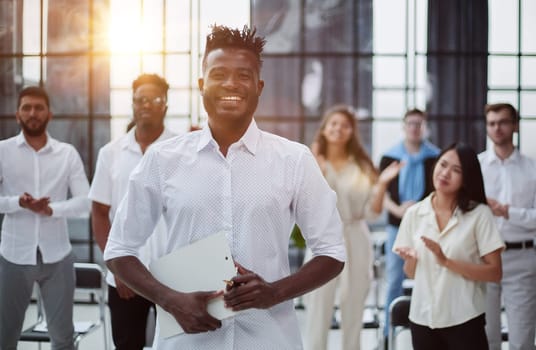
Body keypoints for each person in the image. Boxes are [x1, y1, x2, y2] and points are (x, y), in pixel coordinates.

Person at [103, 25, 346, 349]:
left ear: (259, 87)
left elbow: (332, 251)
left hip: (268, 339)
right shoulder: (163, 159)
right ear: (202, 84)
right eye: (219, 74)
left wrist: (275, 292)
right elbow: (119, 249)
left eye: (244, 75)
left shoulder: (294, 160)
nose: (231, 83)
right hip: (188, 343)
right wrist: (170, 299)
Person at [89, 73, 177, 350]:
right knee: (127, 345)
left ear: (165, 104)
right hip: (126, 275)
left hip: (175, 274)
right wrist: (116, 265)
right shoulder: (110, 153)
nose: (146, 105)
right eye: (140, 99)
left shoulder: (183, 150)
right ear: (133, 104)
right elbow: (100, 212)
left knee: (179, 345)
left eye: (154, 99)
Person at [303, 105, 402, 350]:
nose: (338, 129)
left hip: (356, 235)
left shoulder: (362, 166)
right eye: (333, 124)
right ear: (324, 129)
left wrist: (382, 184)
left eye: (345, 125)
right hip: (322, 238)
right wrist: (318, 168)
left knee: (354, 305)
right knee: (317, 305)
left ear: (351, 132)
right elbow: (302, 202)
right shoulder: (309, 161)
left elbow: (372, 211)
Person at [0, 86, 90, 349]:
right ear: (17, 114)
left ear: (49, 114)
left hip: (57, 256)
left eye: (38, 108)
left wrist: (53, 210)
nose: (32, 113)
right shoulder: (3, 151)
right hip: (13, 256)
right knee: (5, 337)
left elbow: (85, 202)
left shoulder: (67, 153)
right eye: (26, 108)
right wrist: (18, 202)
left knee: (63, 339)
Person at [393, 142, 504, 350]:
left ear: (466, 178)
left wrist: (446, 261)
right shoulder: (414, 214)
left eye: (456, 170)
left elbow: (495, 272)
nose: (445, 173)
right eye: (443, 165)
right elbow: (411, 274)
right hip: (423, 318)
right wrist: (412, 260)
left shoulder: (479, 214)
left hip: (465, 319)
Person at [379, 108, 440, 345]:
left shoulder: (434, 157)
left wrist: (419, 207)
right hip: (397, 224)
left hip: (427, 225)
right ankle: (388, 335)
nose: (414, 128)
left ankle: (431, 329)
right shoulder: (389, 157)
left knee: (429, 277)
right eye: (410, 124)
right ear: (404, 127)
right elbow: (380, 192)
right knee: (394, 280)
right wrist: (398, 210)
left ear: (424, 127)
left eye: (419, 124)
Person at [479, 103, 536, 350]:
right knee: (485, 336)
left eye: (502, 122)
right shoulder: (476, 167)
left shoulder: (532, 168)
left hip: (521, 257)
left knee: (522, 339)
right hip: (482, 258)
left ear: (514, 125)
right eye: (492, 123)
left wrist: (507, 212)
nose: (497, 128)